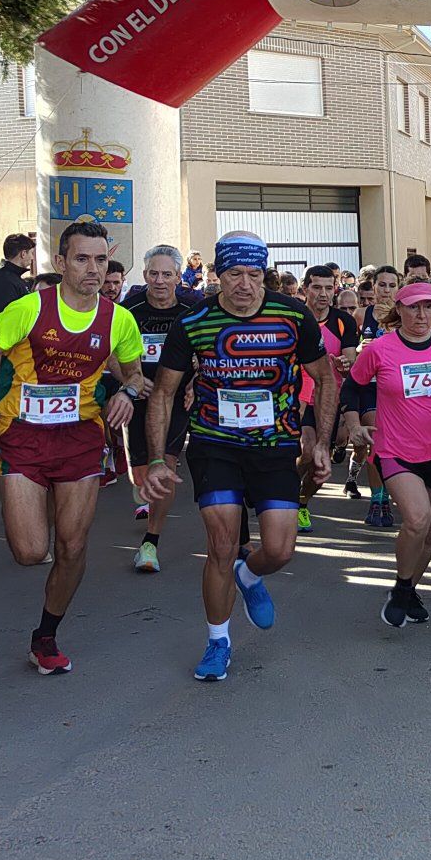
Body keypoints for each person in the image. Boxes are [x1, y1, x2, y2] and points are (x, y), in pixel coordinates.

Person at [140, 231, 337, 682]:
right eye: (233, 274)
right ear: (217, 275)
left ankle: (250, 576)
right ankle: (217, 642)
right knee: (221, 546)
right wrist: (156, 458)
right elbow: (164, 393)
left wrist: (321, 441)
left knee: (280, 550)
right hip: (215, 444)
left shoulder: (292, 316)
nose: (244, 284)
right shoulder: (194, 322)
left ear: (264, 274)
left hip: (275, 447)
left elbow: (325, 378)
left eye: (253, 274)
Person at [0, 220, 149, 675]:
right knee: (30, 551)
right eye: (82, 259)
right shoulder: (29, 309)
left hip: (80, 439)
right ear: (61, 262)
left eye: (101, 260)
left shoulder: (119, 320)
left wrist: (126, 393)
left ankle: (45, 636)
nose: (93, 269)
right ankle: (28, 505)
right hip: (23, 437)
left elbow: (135, 375)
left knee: (71, 545)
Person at [343, 281, 431, 626]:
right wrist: (354, 424)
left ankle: (409, 589)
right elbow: (353, 387)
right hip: (396, 450)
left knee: (430, 531)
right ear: (398, 309)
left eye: (428, 307)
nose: (421, 314)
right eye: (414, 307)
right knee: (416, 520)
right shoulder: (380, 349)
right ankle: (402, 589)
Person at [120, 246, 203, 571]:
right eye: (153, 273)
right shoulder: (131, 310)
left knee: (164, 465)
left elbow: (210, 349)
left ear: (178, 277)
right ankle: (143, 489)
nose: (159, 280)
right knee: (140, 474)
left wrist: (197, 380)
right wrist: (131, 378)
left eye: (167, 274)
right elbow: (114, 353)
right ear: (144, 276)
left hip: (175, 398)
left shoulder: (193, 307)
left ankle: (150, 544)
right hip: (140, 396)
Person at [295, 264, 360, 532]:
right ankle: (282, 493)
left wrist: (345, 364)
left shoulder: (343, 321)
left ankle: (301, 502)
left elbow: (351, 361)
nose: (323, 294)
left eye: (328, 288)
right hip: (296, 395)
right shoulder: (294, 317)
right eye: (317, 287)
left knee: (320, 464)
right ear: (305, 289)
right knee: (306, 450)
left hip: (328, 396)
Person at [352, 265, 402, 519]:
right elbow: (348, 350)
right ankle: (378, 499)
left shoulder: (406, 314)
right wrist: (359, 351)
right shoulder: (361, 315)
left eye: (392, 285)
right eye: (382, 285)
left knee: (394, 446)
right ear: (373, 287)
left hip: (398, 390)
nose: (386, 290)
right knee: (375, 440)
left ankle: (392, 493)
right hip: (369, 387)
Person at [0, 233, 36, 322]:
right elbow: (6, 317)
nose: (32, 257)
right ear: (23, 253)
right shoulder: (2, 279)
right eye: (32, 253)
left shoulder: (9, 277)